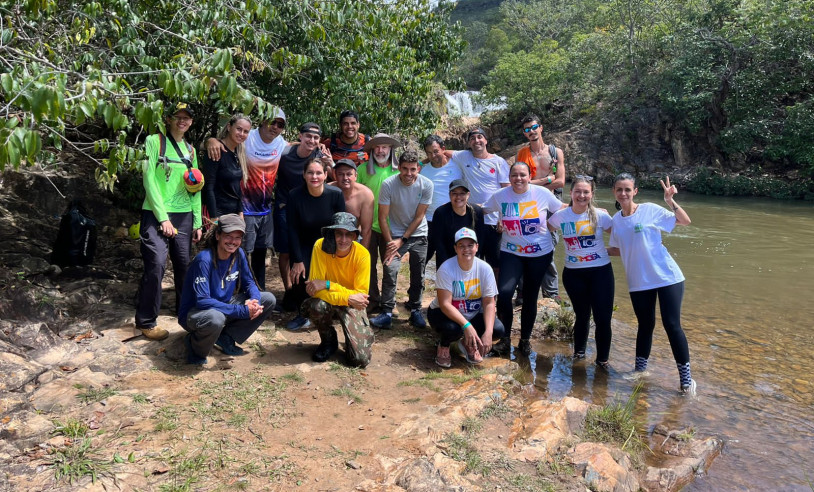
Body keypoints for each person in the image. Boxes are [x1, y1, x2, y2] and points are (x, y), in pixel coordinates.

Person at [607, 174, 696, 395]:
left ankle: (687, 381)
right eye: (620, 189)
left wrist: (670, 201)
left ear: (635, 191)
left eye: (628, 189)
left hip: (667, 277)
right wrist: (588, 249)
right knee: (645, 326)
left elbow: (685, 221)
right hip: (639, 281)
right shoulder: (616, 220)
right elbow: (619, 249)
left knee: (672, 325)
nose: (624, 193)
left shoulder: (650, 209)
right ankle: (640, 371)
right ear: (614, 192)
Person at [135, 102, 203, 341]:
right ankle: (146, 321)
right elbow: (149, 180)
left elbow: (195, 186)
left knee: (184, 265)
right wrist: (163, 217)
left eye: (187, 118)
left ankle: (185, 313)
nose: (182, 121)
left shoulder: (191, 151)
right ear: (168, 119)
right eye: (178, 117)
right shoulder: (154, 141)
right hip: (155, 213)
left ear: (191, 122)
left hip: (184, 214)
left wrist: (197, 222)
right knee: (155, 265)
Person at [484, 161, 564, 357]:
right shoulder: (501, 196)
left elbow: (562, 208)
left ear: (530, 176)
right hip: (511, 253)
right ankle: (505, 339)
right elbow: (482, 210)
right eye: (514, 175)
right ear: (509, 177)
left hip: (539, 254)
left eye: (522, 175)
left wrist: (590, 210)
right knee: (504, 293)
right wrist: (458, 202)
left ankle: (525, 340)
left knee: (530, 296)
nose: (518, 179)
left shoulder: (543, 193)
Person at [206, 108, 288, 290]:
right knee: (240, 252)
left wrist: (318, 146)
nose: (275, 127)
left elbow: (299, 146)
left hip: (264, 210)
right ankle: (234, 290)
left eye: (280, 124)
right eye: (272, 121)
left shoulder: (280, 143)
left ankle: (259, 291)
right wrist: (210, 140)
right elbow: (218, 146)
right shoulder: (247, 137)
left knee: (260, 252)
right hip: (243, 210)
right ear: (263, 121)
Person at [178, 214, 276, 364]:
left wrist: (254, 300)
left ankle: (226, 337)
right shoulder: (204, 260)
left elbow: (249, 282)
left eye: (238, 238)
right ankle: (195, 346)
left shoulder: (239, 254)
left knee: (268, 299)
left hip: (222, 305)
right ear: (218, 235)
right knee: (216, 318)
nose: (233, 242)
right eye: (228, 236)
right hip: (197, 313)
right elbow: (202, 301)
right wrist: (242, 311)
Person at [548, 175, 614, 368]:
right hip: (574, 274)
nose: (582, 195)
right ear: (571, 193)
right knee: (582, 315)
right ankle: (579, 356)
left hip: (601, 273)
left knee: (603, 318)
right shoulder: (561, 216)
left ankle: (602, 362)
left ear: (592, 194)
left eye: (586, 192)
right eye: (578, 191)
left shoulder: (601, 216)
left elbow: (622, 233)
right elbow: (544, 230)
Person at [370, 149, 433, 329]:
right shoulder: (389, 184)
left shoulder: (426, 185)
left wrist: (403, 240)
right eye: (405, 169)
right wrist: (391, 242)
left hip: (418, 234)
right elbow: (382, 216)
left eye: (413, 169)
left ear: (418, 168)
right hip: (395, 233)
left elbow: (419, 216)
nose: (408, 174)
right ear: (399, 168)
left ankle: (415, 309)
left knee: (418, 272)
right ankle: (387, 311)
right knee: (390, 269)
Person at [301, 212, 374, 367]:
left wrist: (328, 284)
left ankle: (356, 340)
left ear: (355, 236)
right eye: (339, 234)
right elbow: (314, 290)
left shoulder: (363, 255)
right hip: (337, 300)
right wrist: (347, 297)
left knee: (359, 360)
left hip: (351, 303)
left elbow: (360, 297)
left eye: (348, 235)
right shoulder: (320, 246)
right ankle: (329, 341)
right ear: (331, 234)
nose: (343, 240)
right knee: (315, 305)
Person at [275, 122, 334, 311]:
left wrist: (330, 161)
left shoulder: (319, 156)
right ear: (300, 136)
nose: (312, 140)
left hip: (308, 206)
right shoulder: (284, 155)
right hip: (285, 206)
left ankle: (308, 290)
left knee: (310, 249)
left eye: (316, 138)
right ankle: (289, 290)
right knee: (286, 251)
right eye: (308, 136)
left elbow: (331, 175)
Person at [427, 227, 504, 368]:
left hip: (473, 314)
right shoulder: (446, 268)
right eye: (461, 246)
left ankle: (467, 343)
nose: (466, 249)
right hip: (443, 313)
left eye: (470, 245)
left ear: (477, 247)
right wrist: (467, 326)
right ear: (455, 248)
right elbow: (445, 304)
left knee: (498, 329)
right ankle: (443, 346)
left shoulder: (485, 269)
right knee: (453, 329)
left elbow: (489, 302)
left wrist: (488, 332)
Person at [285, 158, 346, 330]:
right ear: (304, 175)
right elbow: (292, 229)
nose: (314, 176)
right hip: (304, 243)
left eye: (319, 172)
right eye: (310, 172)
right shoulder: (294, 196)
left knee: (330, 277)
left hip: (329, 245)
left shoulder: (335, 194)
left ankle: (333, 309)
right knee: (300, 275)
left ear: (326, 175)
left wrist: (340, 252)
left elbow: (342, 226)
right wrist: (297, 260)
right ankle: (302, 313)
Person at [514, 115, 566, 302]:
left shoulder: (555, 152)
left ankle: (551, 294)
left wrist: (534, 183)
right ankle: (523, 291)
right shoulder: (522, 154)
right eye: (527, 129)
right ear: (524, 133)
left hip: (552, 203)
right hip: (529, 203)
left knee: (548, 246)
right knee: (524, 243)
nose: (531, 131)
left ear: (541, 128)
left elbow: (561, 181)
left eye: (534, 127)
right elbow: (520, 182)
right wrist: (547, 180)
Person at [447, 128, 509, 269]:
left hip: (494, 220)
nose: (476, 141)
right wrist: (421, 163)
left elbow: (507, 191)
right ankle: (474, 290)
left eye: (480, 137)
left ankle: (494, 291)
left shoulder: (499, 162)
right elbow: (442, 152)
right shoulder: (463, 156)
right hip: (472, 218)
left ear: (486, 140)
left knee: (496, 262)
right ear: (469, 143)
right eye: (472, 138)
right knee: (473, 259)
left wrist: (502, 217)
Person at [356, 132, 401, 313]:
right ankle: (372, 300)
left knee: (391, 267)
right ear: (372, 149)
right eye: (377, 147)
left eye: (385, 147)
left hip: (393, 227)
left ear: (390, 149)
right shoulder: (362, 170)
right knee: (368, 265)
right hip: (369, 226)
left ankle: (389, 302)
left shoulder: (399, 170)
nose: (381, 150)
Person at [420, 135, 462, 266]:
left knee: (448, 260)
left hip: (453, 219)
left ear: (443, 149)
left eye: (436, 151)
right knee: (421, 260)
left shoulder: (458, 166)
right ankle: (417, 286)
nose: (433, 156)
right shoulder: (424, 171)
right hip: (429, 221)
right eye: (429, 153)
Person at [201, 113, 251, 221]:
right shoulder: (216, 149)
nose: (241, 134)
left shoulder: (239, 153)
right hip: (215, 212)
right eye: (239, 129)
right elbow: (208, 187)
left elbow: (236, 188)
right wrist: (214, 218)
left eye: (246, 131)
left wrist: (240, 212)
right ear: (229, 127)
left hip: (232, 214)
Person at [430, 179, 487, 267]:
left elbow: (480, 239)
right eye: (454, 193)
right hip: (447, 259)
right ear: (449, 195)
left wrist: (474, 262)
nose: (458, 197)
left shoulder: (477, 211)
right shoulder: (440, 213)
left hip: (470, 258)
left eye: (462, 193)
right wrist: (448, 265)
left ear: (468, 195)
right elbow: (439, 243)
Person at [330, 158, 374, 249]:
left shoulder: (365, 194)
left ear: (356, 176)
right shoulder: (327, 190)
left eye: (349, 174)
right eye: (341, 174)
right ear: (335, 175)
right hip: (329, 239)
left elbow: (366, 230)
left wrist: (362, 255)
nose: (345, 178)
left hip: (353, 241)